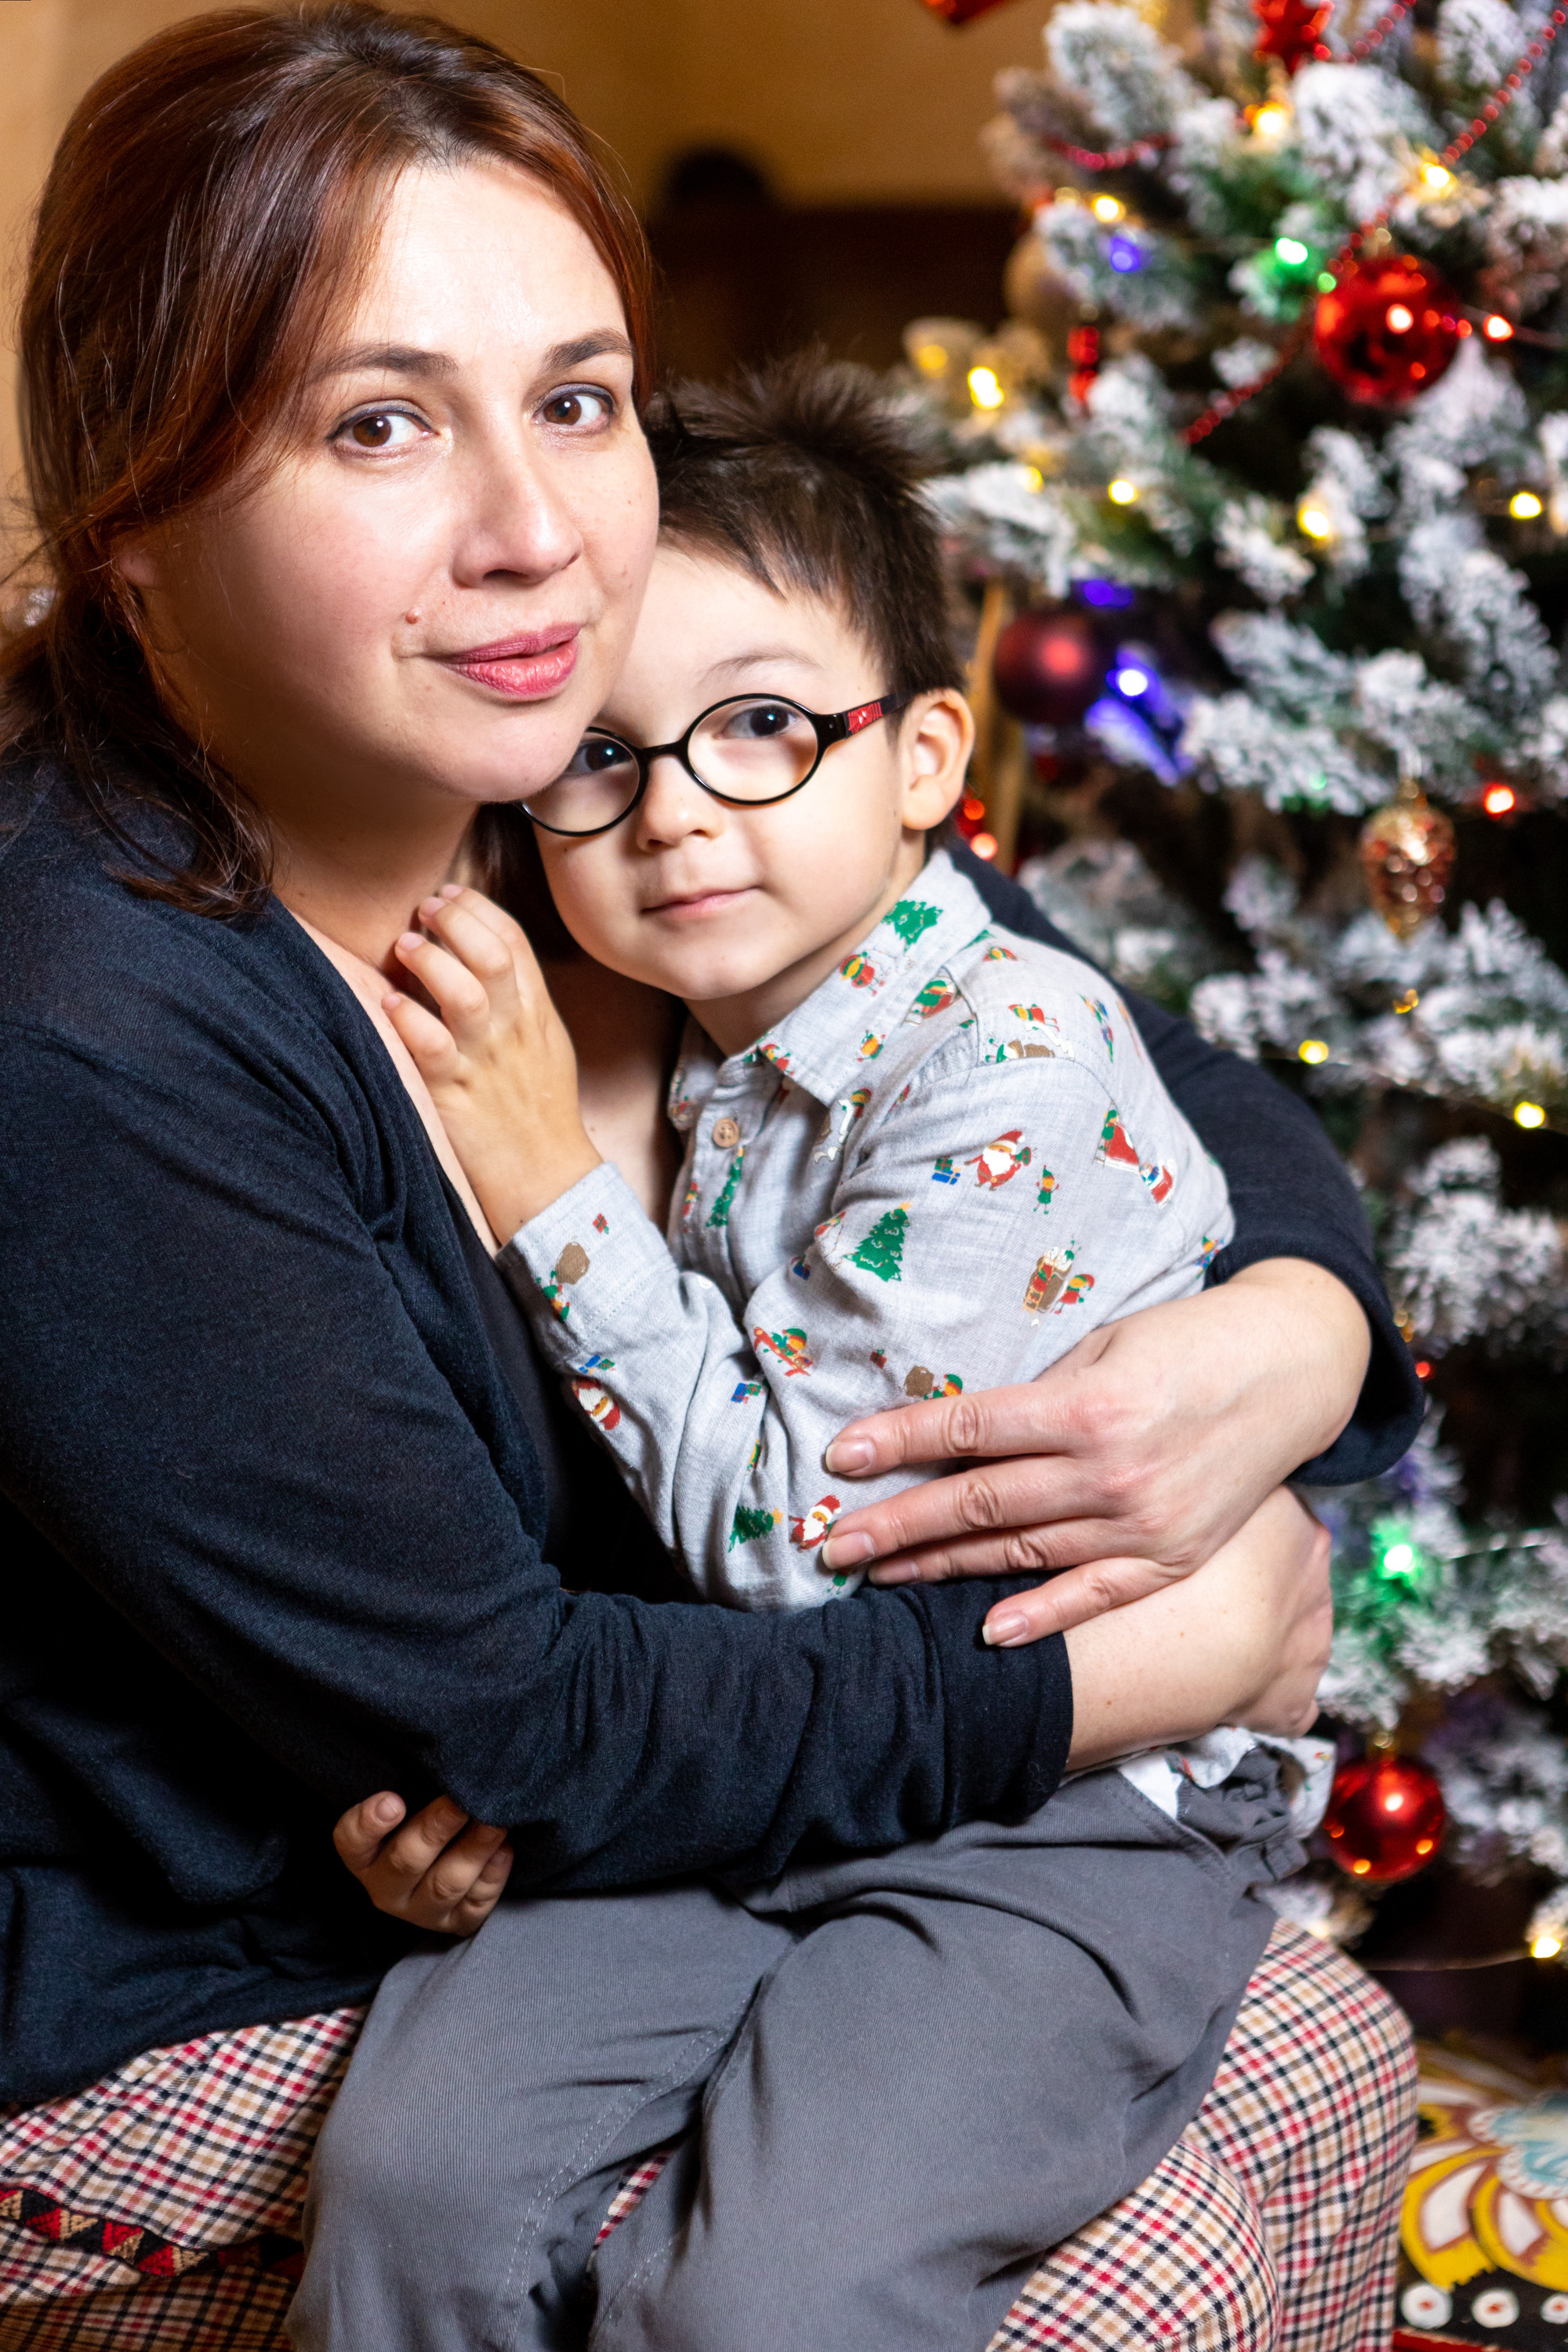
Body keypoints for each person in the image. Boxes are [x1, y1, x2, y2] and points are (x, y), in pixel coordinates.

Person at [0, 0, 1408, 2333]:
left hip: (685, 1792)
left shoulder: (573, 763)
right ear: (139, 524)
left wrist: (1294, 1336)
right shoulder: (94, 1038)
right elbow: (528, 1724)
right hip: (220, 1955)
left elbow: (1076, 1029)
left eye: (574, 398)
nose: (537, 528)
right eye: (379, 423)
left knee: (1265, 2082)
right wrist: (1146, 1660)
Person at [297, 357, 1335, 2352]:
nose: (675, 809)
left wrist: (543, 1176)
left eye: (761, 726)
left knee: (768, 2292)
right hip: (738, 1772)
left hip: (1064, 1802)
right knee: (412, 2184)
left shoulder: (1008, 1054)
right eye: (600, 758)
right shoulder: (684, 1004)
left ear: (926, 754)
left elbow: (805, 1542)